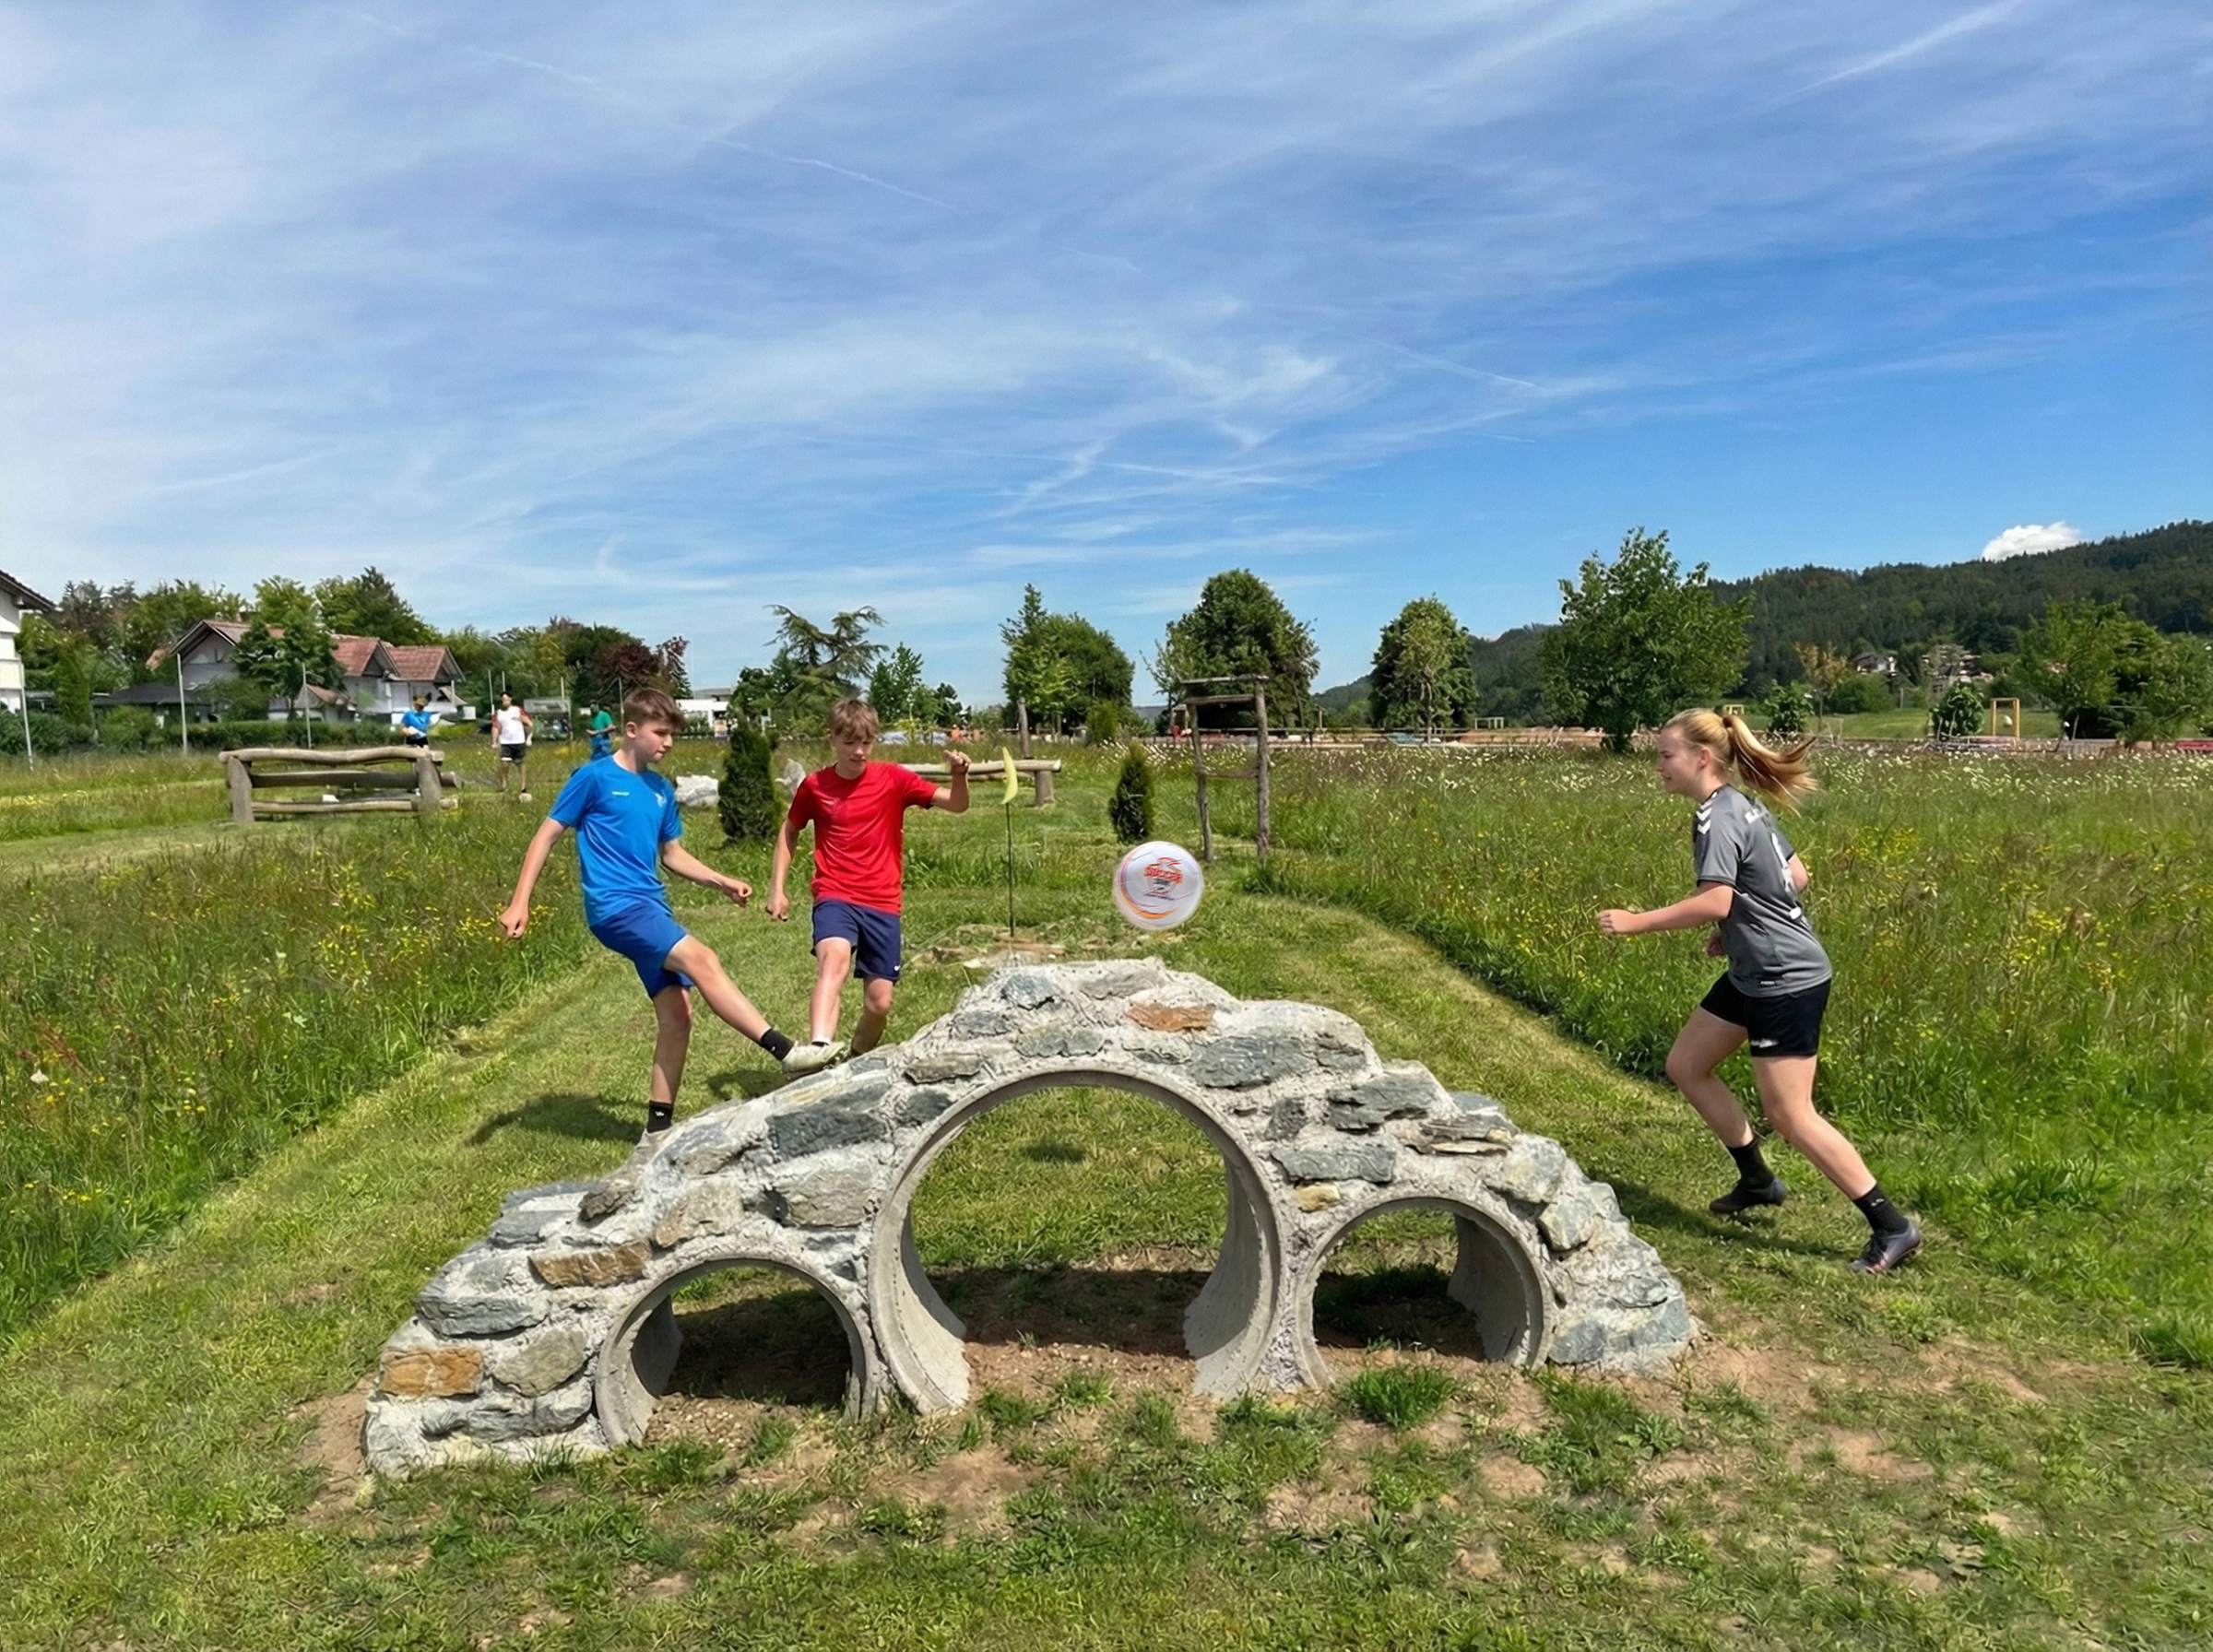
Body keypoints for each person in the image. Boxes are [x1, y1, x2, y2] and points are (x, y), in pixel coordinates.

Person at [1596, 708, 1921, 1274]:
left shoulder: (1715, 816)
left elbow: (1716, 899)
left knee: (1791, 1114)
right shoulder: (1743, 805)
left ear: (1702, 757)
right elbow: (1796, 875)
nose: (1658, 766)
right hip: (1756, 970)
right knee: (1687, 1065)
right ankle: (1757, 1180)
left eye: (1666, 755)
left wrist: (1635, 921)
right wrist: (1737, 930)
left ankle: (1892, 1227)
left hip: (1783, 979)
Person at [500, 688, 801, 1136]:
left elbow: (672, 854)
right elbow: (547, 835)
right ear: (631, 730)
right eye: (660, 733)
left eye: (672, 734)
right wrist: (520, 901)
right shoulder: (593, 778)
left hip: (650, 906)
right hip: (615, 908)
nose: (669, 743)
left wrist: (720, 880)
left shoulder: (660, 789)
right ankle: (787, 1053)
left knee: (678, 1016)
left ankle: (656, 1131)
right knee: (703, 959)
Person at [768, 698, 969, 1072]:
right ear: (831, 739)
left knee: (879, 1004)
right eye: (849, 742)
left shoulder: (893, 779)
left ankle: (853, 1063)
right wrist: (777, 889)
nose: (859, 751)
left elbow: (957, 805)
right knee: (834, 960)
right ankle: (817, 1052)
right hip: (834, 893)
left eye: (866, 742)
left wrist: (959, 776)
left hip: (882, 901)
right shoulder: (815, 786)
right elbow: (790, 830)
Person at [491, 693, 533, 800]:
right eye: (503, 700)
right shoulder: (498, 713)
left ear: (510, 699)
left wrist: (529, 738)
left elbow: (529, 724)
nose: (505, 702)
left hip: (519, 741)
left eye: (506, 699)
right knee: (504, 764)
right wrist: (494, 742)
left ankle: (523, 788)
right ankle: (504, 787)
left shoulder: (517, 710)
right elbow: (495, 727)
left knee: (521, 764)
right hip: (505, 742)